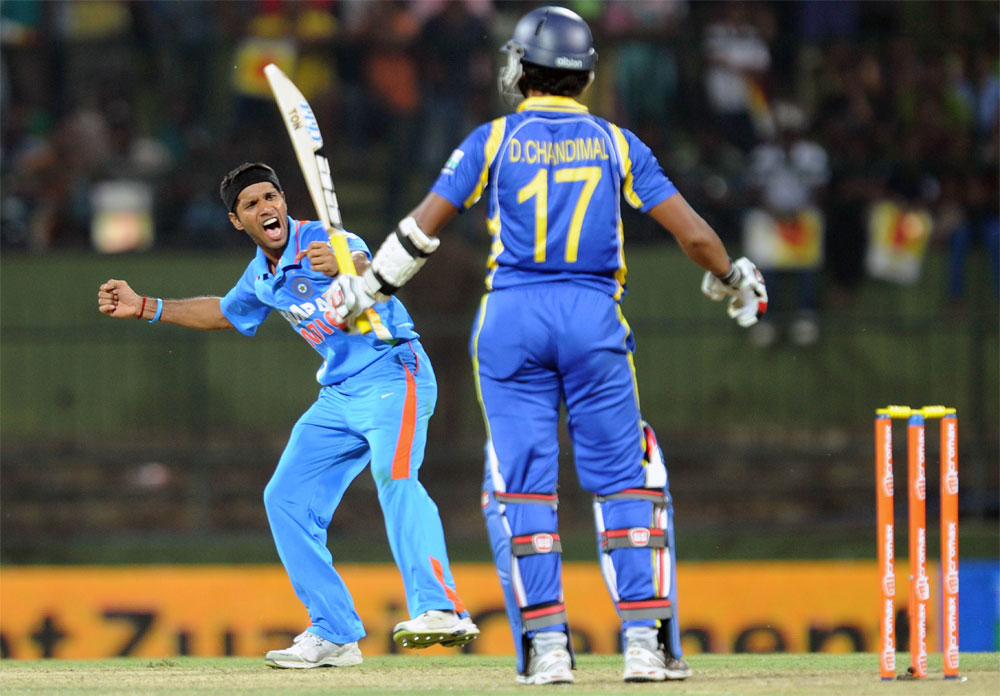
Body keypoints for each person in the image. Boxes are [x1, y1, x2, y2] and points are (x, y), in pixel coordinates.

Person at [329, 6, 767, 685]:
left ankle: (547, 648)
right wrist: (732, 278)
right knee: (626, 479)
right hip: (593, 318)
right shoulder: (618, 144)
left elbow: (423, 229)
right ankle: (645, 644)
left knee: (521, 485)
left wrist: (370, 286)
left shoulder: (492, 141)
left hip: (510, 320)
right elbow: (696, 237)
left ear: (517, 68)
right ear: (586, 76)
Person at [96, 162, 478, 668]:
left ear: (283, 200)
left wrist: (345, 262)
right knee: (285, 498)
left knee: (396, 476)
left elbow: (376, 270)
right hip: (339, 395)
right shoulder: (262, 274)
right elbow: (224, 312)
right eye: (251, 205)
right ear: (238, 222)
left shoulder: (325, 237)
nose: (266, 208)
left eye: (270, 197)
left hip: (393, 373)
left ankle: (440, 608)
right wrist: (146, 306)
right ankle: (334, 632)